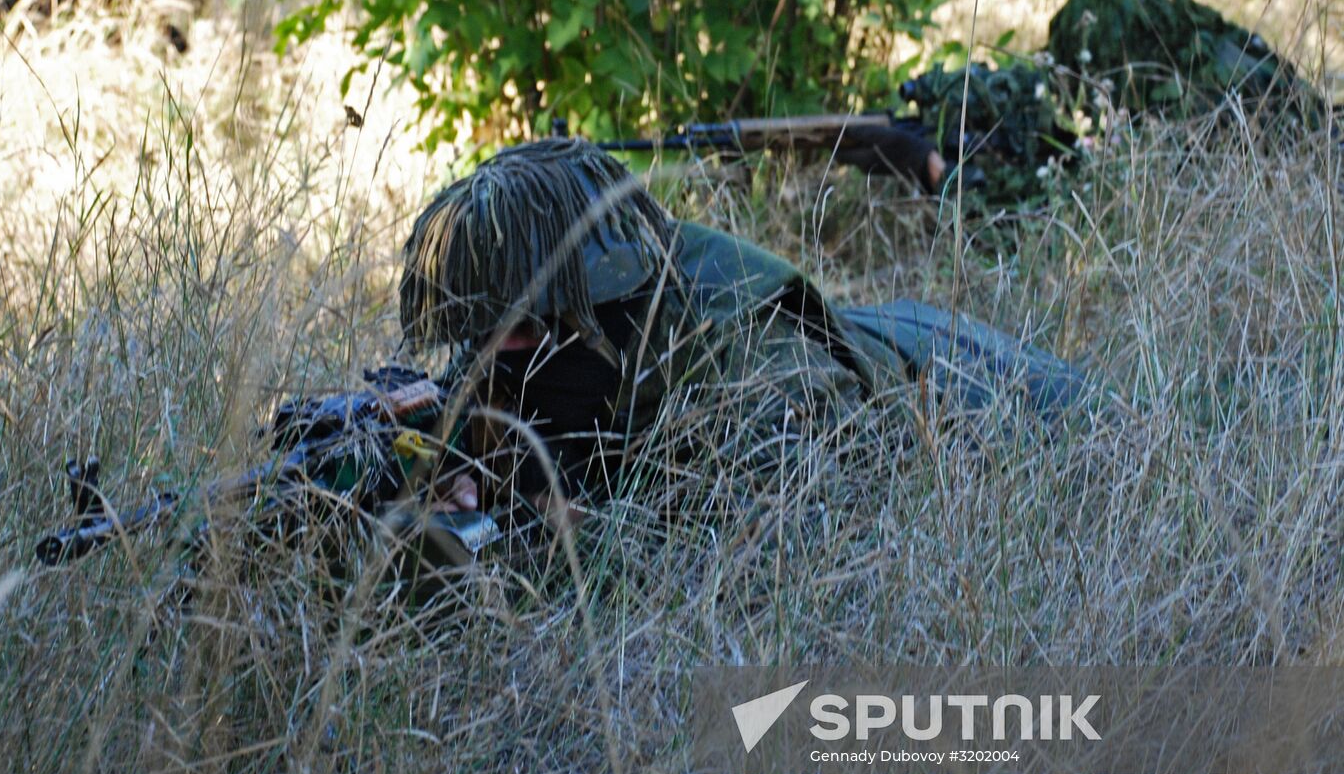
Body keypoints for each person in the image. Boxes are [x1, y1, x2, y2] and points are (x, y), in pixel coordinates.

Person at [400, 137, 1089, 517]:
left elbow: (800, 554)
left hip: (1000, 397)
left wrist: (565, 534)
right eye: (480, 336)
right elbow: (484, 418)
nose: (492, 358)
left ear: (591, 313)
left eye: (516, 334)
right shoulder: (557, 330)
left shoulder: (756, 376)